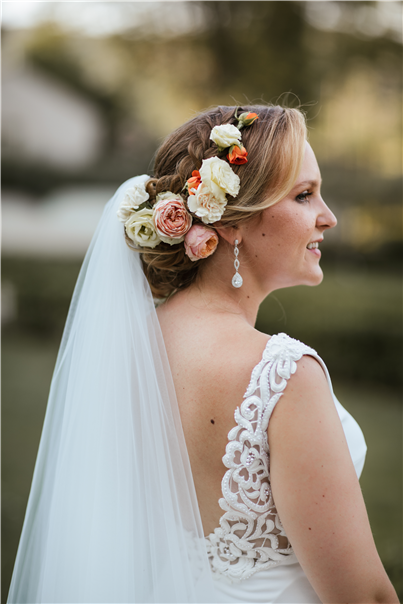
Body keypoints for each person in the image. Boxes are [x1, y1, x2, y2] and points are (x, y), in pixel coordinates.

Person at [8, 105, 398, 604]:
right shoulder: (284, 375)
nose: (329, 217)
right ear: (230, 222)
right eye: (304, 195)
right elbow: (363, 596)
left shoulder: (129, 349)